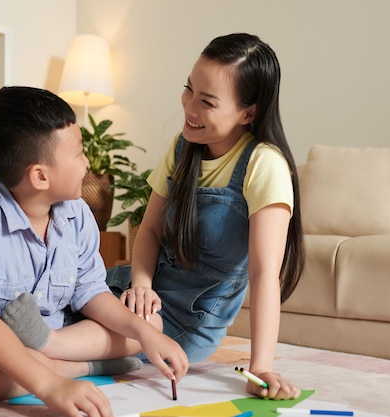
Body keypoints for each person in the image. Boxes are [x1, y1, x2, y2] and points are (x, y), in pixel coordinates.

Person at [0, 86, 188, 417]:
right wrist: (47, 384)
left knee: (151, 325)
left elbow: (90, 291)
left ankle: (49, 352)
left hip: (54, 328)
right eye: (78, 153)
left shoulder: (77, 213)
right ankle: (77, 367)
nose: (87, 163)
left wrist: (143, 332)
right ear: (40, 176)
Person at [107, 33, 304, 400]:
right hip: (142, 294)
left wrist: (260, 367)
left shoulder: (263, 165)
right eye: (188, 90)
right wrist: (142, 286)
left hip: (185, 320)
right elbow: (149, 231)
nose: (190, 108)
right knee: (73, 300)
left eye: (208, 102)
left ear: (249, 112)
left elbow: (264, 275)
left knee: (97, 330)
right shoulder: (184, 148)